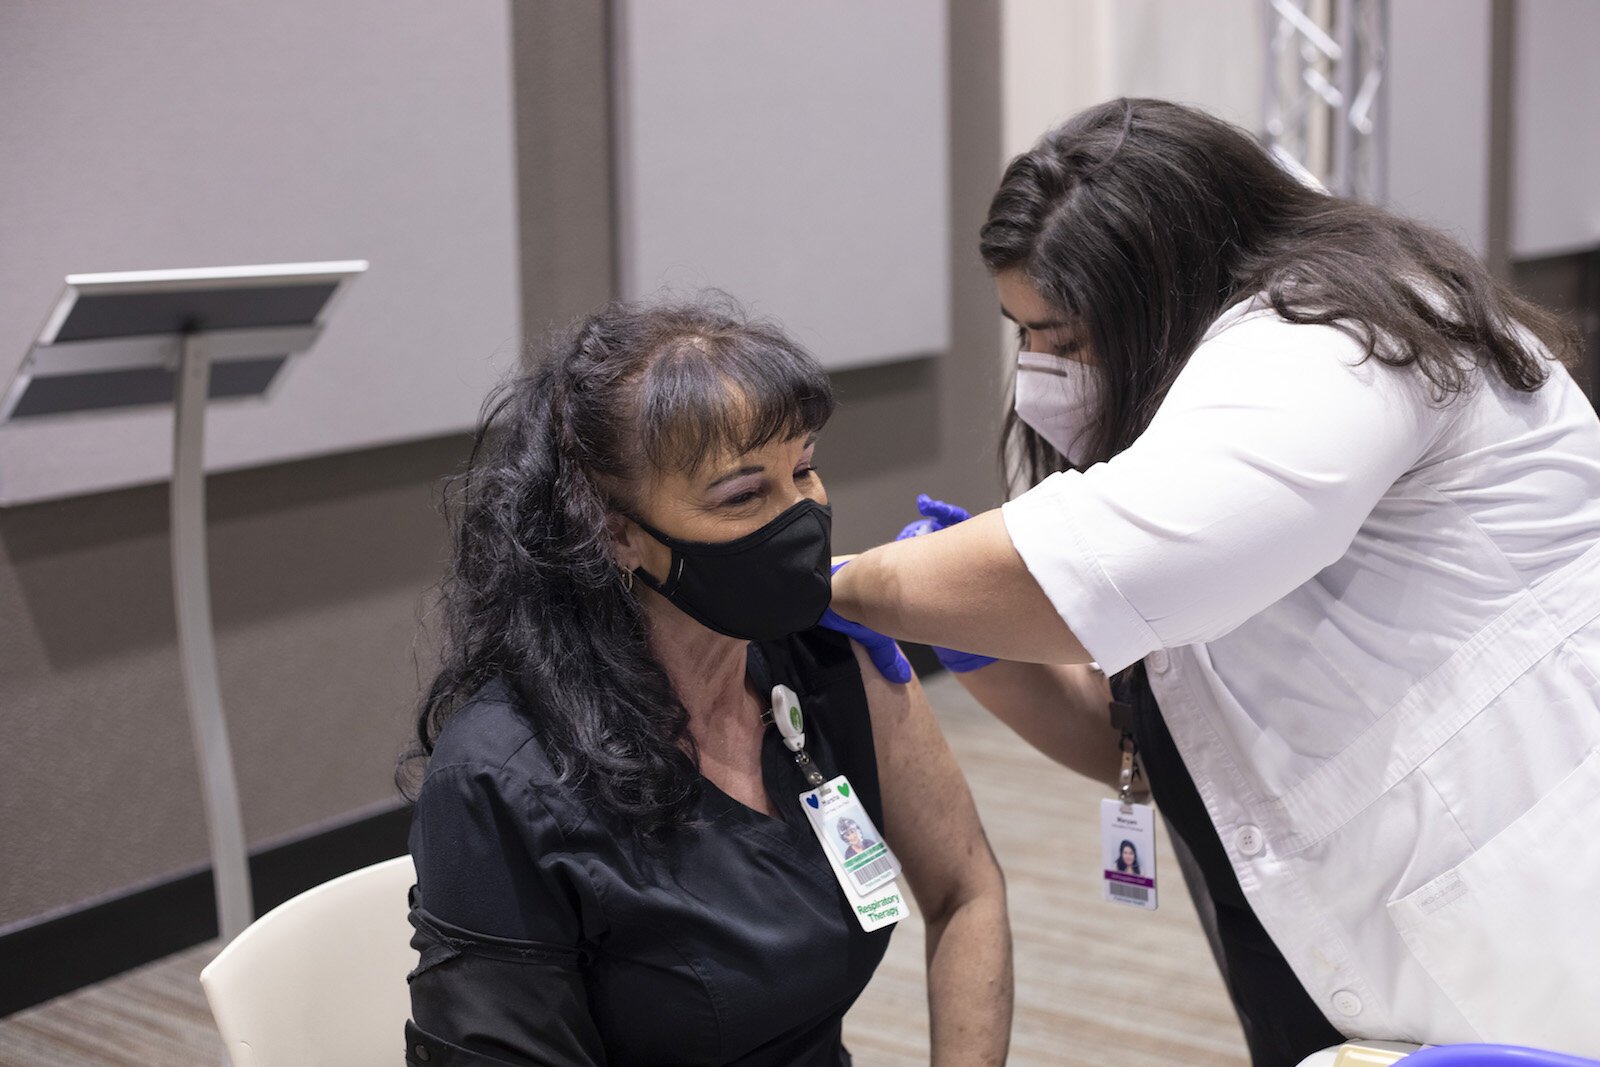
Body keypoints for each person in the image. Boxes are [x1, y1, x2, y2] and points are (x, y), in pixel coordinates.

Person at [827, 98, 1600, 1064]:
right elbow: (1160, 748)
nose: (1041, 372)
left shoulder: (1339, 337)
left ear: (1160, 290)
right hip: (1336, 939)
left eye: (1065, 337)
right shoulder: (1199, 419)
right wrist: (983, 642)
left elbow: (1129, 565)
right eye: (1023, 333)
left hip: (1519, 911)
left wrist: (849, 582)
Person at [399, 297, 1012, 1067]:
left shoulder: (826, 661)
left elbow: (966, 892)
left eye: (805, 467)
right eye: (743, 494)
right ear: (616, 531)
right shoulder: (505, 778)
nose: (802, 516)